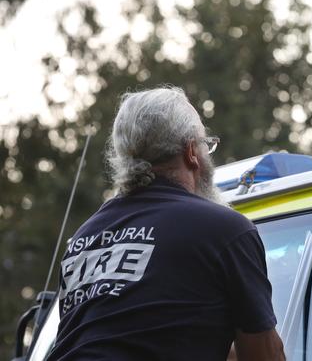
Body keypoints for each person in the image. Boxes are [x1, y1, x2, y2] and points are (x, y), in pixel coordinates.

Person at [47, 86, 285, 360]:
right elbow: (263, 356)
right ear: (191, 152)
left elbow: (127, 340)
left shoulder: (83, 239)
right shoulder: (224, 230)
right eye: (206, 145)